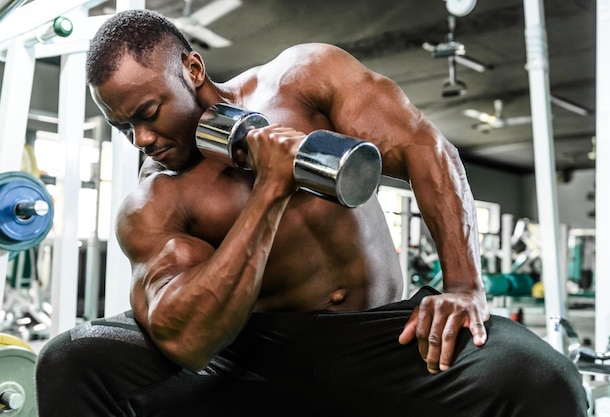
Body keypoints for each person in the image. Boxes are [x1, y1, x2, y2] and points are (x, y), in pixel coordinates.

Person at [35, 9, 587, 417]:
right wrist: (270, 191)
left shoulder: (301, 78)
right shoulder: (155, 199)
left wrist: (463, 282)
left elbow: (426, 149)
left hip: (384, 338)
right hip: (249, 353)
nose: (142, 139)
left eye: (149, 113)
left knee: (544, 379)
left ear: (193, 67)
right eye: (122, 126)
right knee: (69, 361)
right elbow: (188, 340)